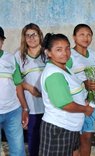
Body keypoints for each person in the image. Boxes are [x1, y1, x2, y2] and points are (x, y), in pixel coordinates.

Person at [39, 33, 94, 155]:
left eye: (67, 48)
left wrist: (83, 99)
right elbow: (65, 104)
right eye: (59, 50)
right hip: (59, 129)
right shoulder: (54, 75)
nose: (65, 52)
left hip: (71, 127)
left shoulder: (64, 68)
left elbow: (73, 92)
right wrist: (85, 109)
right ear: (48, 52)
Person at [66, 24, 95, 156]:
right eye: (82, 34)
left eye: (89, 35)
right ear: (74, 37)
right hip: (75, 103)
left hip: (91, 103)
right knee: (74, 141)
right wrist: (84, 83)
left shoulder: (93, 54)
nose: (86, 38)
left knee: (87, 138)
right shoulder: (69, 55)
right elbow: (64, 78)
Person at [14, 23, 45, 156]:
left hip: (50, 107)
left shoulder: (47, 52)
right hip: (31, 106)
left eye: (34, 35)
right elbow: (16, 81)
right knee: (33, 142)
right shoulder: (18, 55)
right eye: (28, 35)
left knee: (48, 142)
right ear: (24, 38)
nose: (31, 38)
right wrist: (30, 88)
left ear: (40, 36)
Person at [0, 26, 28, 156]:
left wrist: (24, 108)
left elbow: (18, 85)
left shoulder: (10, 58)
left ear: (2, 41)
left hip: (13, 112)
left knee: (18, 150)